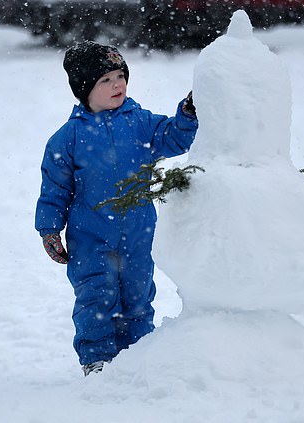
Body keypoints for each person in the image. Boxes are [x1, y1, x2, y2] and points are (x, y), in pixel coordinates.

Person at [35, 41, 198, 376]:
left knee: (138, 298)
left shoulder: (140, 123)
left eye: (121, 76)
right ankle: (97, 362)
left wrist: (188, 114)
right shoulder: (69, 137)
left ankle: (138, 359)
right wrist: (49, 228)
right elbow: (55, 187)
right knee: (96, 298)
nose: (118, 85)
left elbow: (174, 137)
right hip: (91, 237)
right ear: (85, 90)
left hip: (139, 235)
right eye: (106, 80)